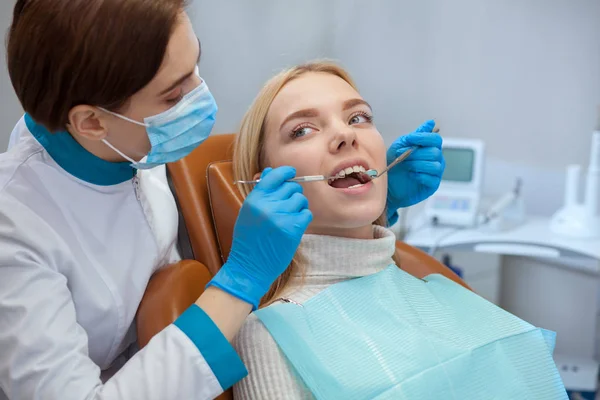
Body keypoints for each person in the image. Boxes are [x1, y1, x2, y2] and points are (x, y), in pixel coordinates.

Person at [0, 2, 445, 399]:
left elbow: (295, 246)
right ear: (92, 123)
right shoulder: (16, 229)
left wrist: (379, 204)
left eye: (358, 117)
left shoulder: (141, 146)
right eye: (174, 95)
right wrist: (240, 280)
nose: (199, 95)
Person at [231, 61, 568, 399]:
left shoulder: (432, 291)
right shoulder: (269, 335)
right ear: (267, 185)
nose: (346, 134)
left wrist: (385, 207)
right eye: (302, 130)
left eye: (358, 118)